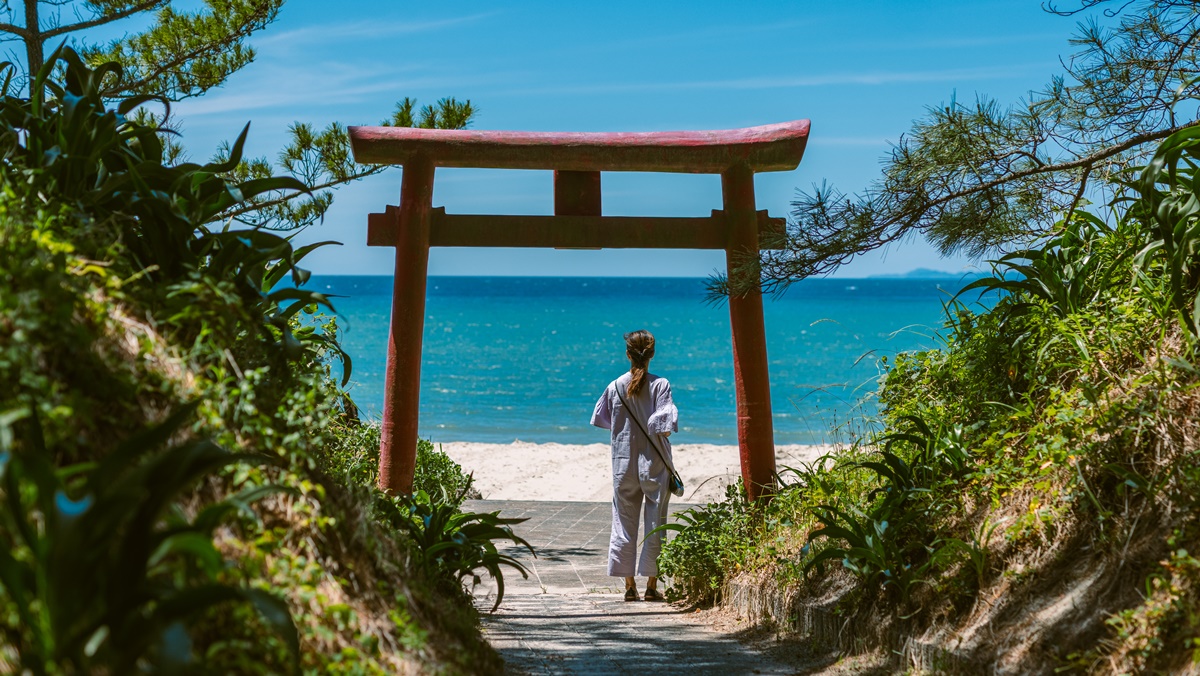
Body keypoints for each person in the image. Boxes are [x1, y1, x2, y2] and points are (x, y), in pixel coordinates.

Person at [590, 329, 678, 602]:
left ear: (627, 354)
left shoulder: (614, 386)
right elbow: (665, 427)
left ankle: (629, 586)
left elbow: (601, 420)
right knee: (656, 522)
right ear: (652, 354)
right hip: (654, 464)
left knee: (623, 521)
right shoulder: (660, 385)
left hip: (623, 463)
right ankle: (652, 586)